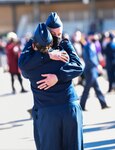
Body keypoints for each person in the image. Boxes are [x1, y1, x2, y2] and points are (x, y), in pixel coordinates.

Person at [18, 22, 84, 150]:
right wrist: (58, 75)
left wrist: (44, 55)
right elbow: (78, 66)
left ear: (33, 45)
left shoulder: (30, 65)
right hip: (70, 108)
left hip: (47, 112)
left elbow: (22, 64)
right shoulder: (64, 55)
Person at [80, 31, 109, 111]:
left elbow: (95, 57)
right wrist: (97, 66)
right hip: (89, 71)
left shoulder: (93, 45)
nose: (96, 37)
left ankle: (103, 104)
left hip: (93, 70)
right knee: (87, 89)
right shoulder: (87, 46)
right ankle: (81, 106)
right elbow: (89, 59)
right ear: (90, 37)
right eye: (94, 36)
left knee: (97, 88)